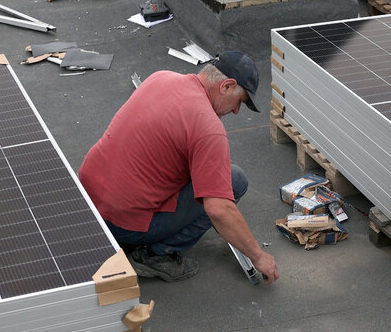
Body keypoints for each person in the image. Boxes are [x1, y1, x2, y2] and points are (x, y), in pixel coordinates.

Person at [79, 52, 280, 284]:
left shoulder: (160, 78)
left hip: (87, 206)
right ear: (226, 86)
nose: (236, 111)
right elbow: (218, 209)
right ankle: (155, 255)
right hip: (120, 226)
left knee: (200, 171)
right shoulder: (208, 127)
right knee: (234, 181)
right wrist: (258, 255)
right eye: (240, 101)